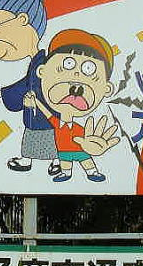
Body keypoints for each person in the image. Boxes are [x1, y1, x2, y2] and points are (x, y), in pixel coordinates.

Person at [0, 0, 60, 175]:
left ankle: (57, 160)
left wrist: (33, 101)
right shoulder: (36, 63)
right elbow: (25, 84)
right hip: (34, 114)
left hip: (46, 115)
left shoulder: (46, 63)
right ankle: (31, 159)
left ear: (22, 20)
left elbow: (40, 87)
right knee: (32, 134)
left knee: (51, 136)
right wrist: (0, 94)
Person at [23, 29, 120, 182]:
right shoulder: (56, 123)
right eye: (68, 64)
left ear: (106, 89)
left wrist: (92, 146)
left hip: (78, 150)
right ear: (42, 71)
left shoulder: (78, 128)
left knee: (85, 160)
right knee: (66, 163)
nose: (75, 84)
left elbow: (85, 139)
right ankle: (66, 173)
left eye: (89, 69)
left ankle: (92, 172)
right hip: (63, 152)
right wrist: (35, 103)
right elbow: (47, 113)